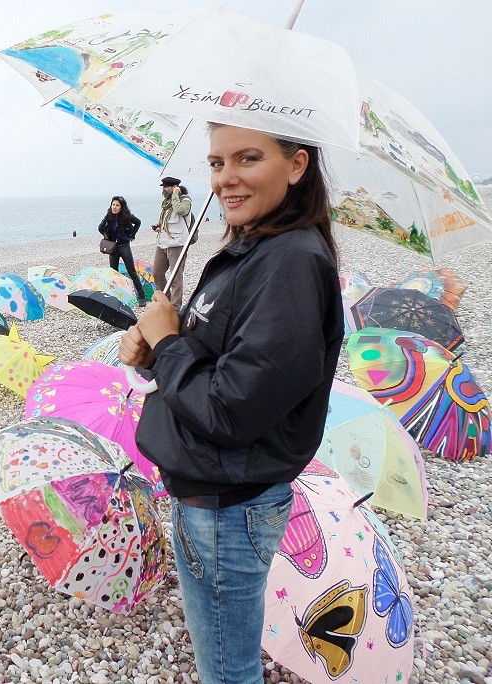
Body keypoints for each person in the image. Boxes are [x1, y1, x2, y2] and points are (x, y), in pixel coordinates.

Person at [120, 124, 343, 684]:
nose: (226, 179)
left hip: (228, 507)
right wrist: (156, 348)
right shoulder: (256, 249)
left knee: (227, 671)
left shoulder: (290, 262)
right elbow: (223, 357)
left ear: (297, 165)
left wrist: (169, 343)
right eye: (217, 163)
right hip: (213, 496)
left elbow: (230, 409)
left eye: (247, 158)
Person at [151, 177, 194, 311]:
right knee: (157, 273)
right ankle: (166, 300)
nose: (163, 189)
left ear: (175, 187)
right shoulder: (166, 203)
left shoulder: (185, 200)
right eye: (163, 187)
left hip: (177, 244)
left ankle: (175, 308)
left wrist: (176, 194)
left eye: (166, 187)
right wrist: (158, 227)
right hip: (162, 243)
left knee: (176, 277)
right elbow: (165, 221)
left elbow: (181, 211)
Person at [97, 195, 146, 306]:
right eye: (113, 205)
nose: (114, 207)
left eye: (117, 205)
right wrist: (107, 237)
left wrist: (132, 235)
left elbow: (138, 222)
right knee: (113, 273)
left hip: (124, 246)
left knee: (131, 271)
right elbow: (100, 228)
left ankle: (141, 297)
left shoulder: (127, 216)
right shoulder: (108, 216)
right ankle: (116, 296)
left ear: (121, 207)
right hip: (113, 248)